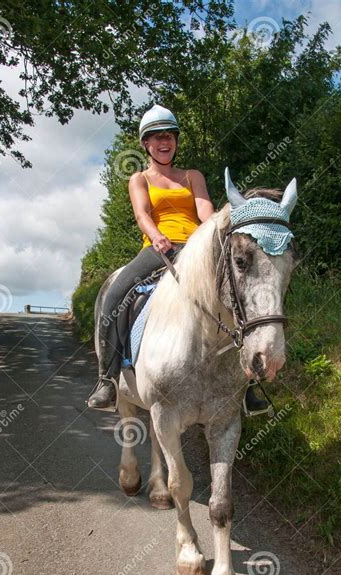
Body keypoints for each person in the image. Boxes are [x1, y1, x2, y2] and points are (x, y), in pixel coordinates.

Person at [87, 104, 269, 415]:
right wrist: (156, 236)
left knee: (240, 293)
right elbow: (142, 214)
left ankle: (250, 384)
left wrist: (218, 235)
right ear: (146, 144)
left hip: (197, 250)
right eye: (156, 137)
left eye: (169, 136)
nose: (164, 142)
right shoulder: (139, 179)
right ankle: (107, 380)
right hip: (159, 248)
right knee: (114, 297)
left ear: (176, 141)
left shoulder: (191, 176)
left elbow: (205, 212)